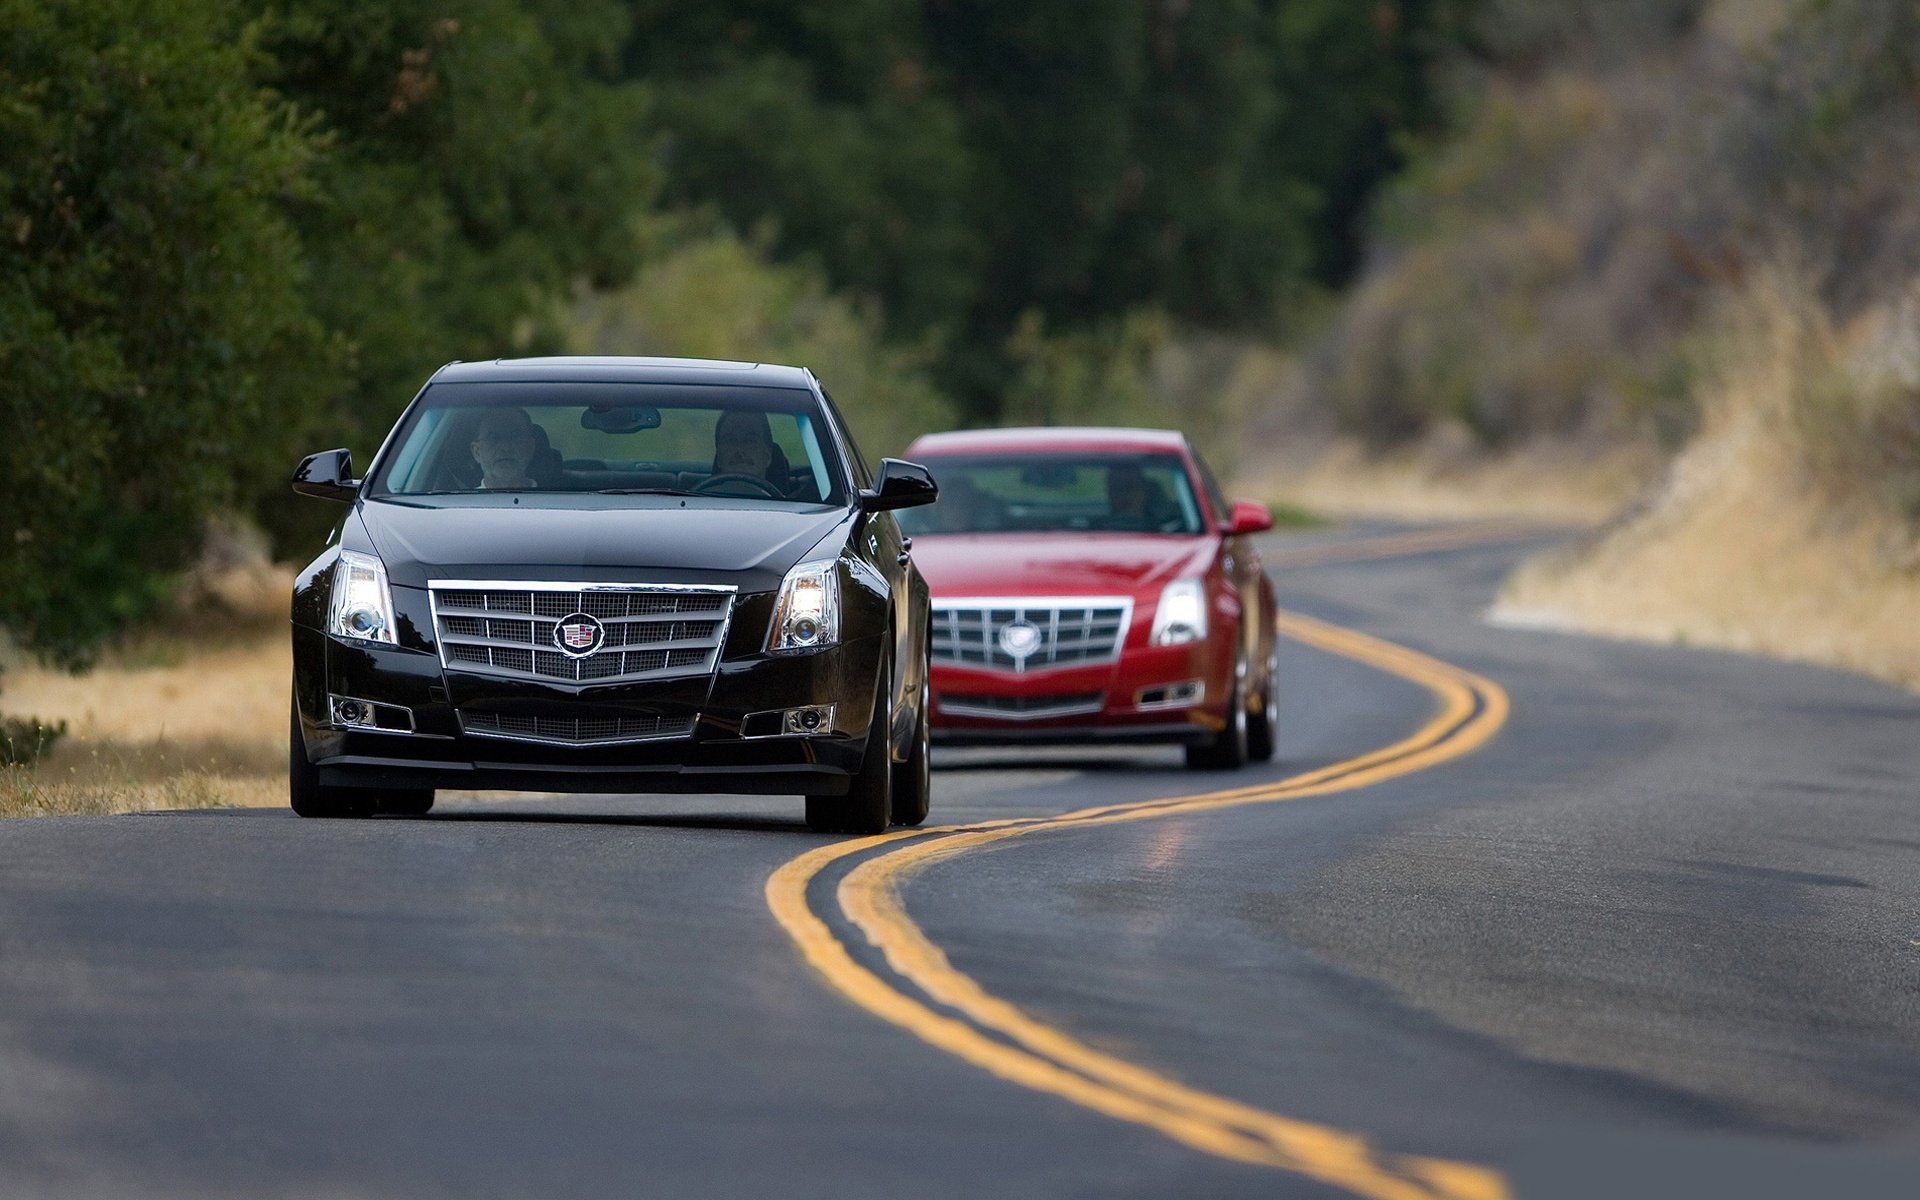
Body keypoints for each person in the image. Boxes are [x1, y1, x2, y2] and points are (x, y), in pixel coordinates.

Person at [711, 410, 791, 489]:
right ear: (718, 457)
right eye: (730, 440)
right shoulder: (700, 500)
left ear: (768, 455)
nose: (740, 450)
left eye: (750, 441)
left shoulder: (793, 502)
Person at [470, 408, 541, 490]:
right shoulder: (463, 502)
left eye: (515, 436)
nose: (505, 448)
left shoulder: (554, 499)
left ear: (530, 448)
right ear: (477, 452)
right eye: (493, 438)